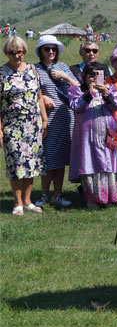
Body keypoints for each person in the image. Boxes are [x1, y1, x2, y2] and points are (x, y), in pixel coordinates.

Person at [68, 62, 117, 209]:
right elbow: (76, 107)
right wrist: (89, 92)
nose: (95, 78)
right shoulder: (76, 90)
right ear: (84, 77)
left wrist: (106, 93)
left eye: (98, 74)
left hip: (109, 133)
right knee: (91, 164)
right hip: (88, 138)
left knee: (111, 164)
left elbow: (116, 106)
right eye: (91, 75)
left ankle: (113, 198)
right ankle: (94, 200)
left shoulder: (110, 88)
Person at [1, 36, 48, 216]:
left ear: (24, 52)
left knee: (32, 163)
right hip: (12, 125)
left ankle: (28, 201)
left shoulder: (33, 70)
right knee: (15, 164)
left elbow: (39, 97)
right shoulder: (1, 73)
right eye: (12, 52)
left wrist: (44, 120)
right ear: (7, 53)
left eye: (19, 51)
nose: (16, 55)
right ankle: (17, 202)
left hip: (33, 124)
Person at [34, 35, 79, 208]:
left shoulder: (63, 67)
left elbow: (78, 88)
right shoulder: (35, 69)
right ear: (41, 51)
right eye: (47, 49)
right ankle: (45, 195)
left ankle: (58, 194)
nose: (51, 52)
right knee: (49, 158)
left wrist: (64, 76)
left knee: (60, 158)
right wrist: (42, 96)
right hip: (48, 118)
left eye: (54, 48)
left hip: (66, 116)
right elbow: (30, 91)